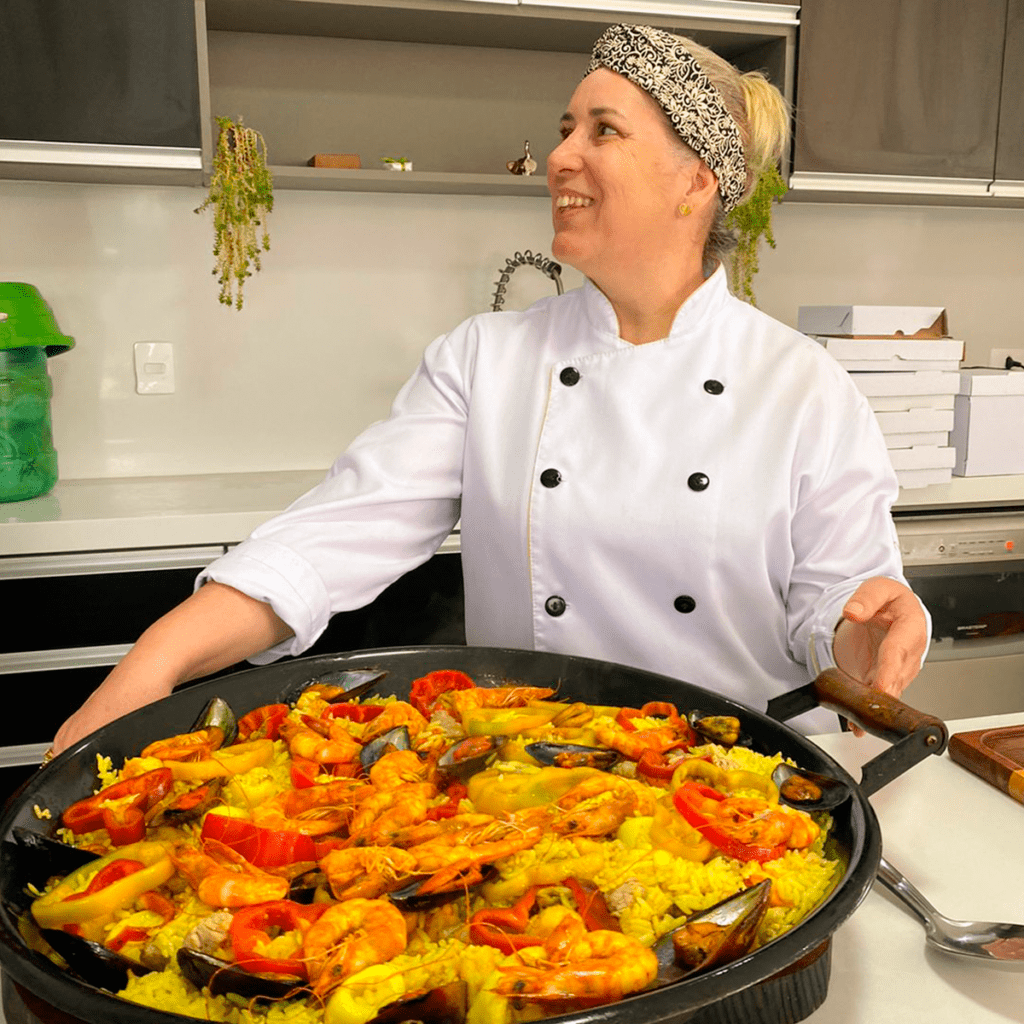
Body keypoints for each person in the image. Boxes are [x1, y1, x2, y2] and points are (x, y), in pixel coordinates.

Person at [51, 23, 928, 755]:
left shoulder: (804, 388)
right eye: (566, 128)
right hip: (528, 787)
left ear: (695, 181)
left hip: (735, 792)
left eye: (603, 131)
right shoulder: (486, 360)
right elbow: (329, 540)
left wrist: (867, 634)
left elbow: (838, 613)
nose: (560, 156)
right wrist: (153, 664)